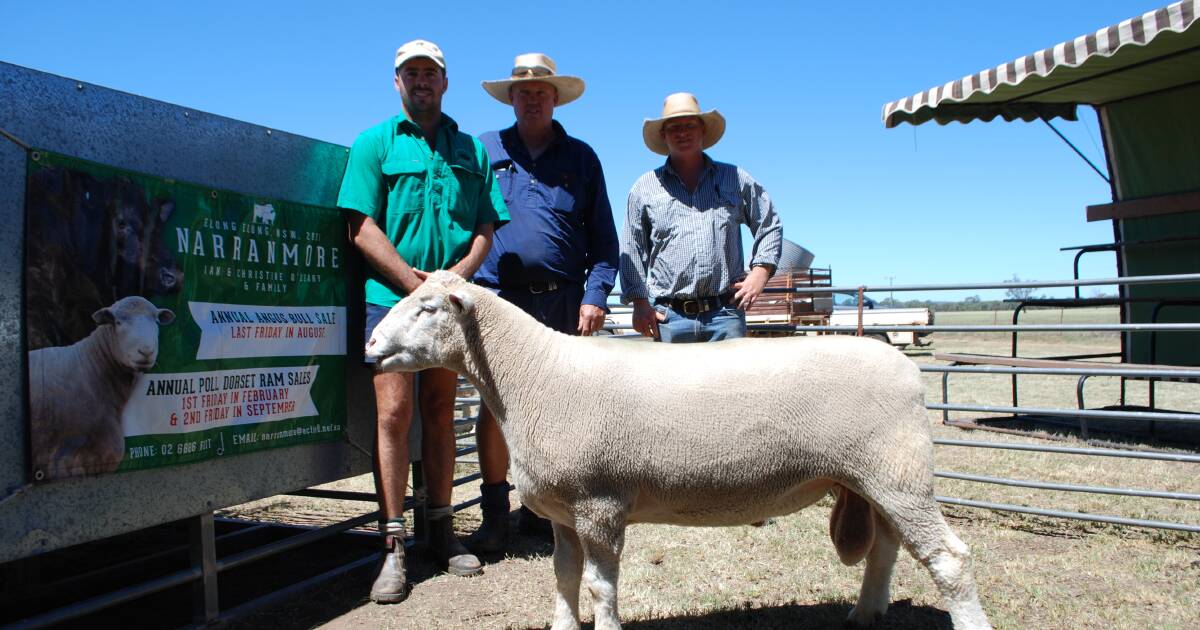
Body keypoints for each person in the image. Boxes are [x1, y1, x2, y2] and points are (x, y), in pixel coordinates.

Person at [337, 39, 509, 603]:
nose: (421, 81)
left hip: (449, 304)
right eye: (410, 73)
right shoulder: (374, 144)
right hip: (390, 298)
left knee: (441, 410)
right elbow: (361, 227)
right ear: (396, 82)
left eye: (430, 73)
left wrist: (452, 280)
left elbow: (486, 226)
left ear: (445, 81)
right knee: (393, 413)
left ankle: (441, 530)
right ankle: (392, 546)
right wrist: (417, 287)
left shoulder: (470, 149)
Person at [469, 53, 619, 551]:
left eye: (542, 92)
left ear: (555, 99)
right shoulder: (483, 150)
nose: (533, 100)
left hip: (563, 302)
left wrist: (595, 296)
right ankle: (495, 514)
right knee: (495, 407)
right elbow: (462, 224)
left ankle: (546, 510)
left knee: (559, 410)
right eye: (523, 92)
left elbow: (604, 243)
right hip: (497, 301)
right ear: (510, 98)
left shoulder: (581, 158)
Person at [619, 92, 783, 343]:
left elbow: (769, 224)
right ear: (663, 135)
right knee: (670, 384)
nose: (682, 132)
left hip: (725, 313)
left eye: (689, 125)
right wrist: (640, 302)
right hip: (669, 317)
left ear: (703, 130)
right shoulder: (645, 188)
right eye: (674, 127)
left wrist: (760, 273)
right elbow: (632, 248)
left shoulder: (734, 178)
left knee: (732, 383)